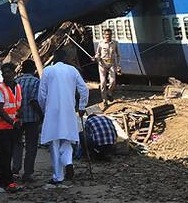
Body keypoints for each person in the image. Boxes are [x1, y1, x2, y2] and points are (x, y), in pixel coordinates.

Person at [39, 49, 89, 185]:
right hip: (68, 110)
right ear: (66, 58)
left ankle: (58, 176)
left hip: (53, 111)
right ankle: (68, 162)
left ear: (53, 58)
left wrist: (44, 109)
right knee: (67, 140)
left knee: (54, 143)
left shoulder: (48, 71)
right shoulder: (72, 70)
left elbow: (42, 94)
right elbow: (84, 89)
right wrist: (82, 106)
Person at [0, 63, 22, 192]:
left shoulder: (18, 87)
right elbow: (0, 110)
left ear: (14, 73)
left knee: (5, 154)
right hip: (0, 127)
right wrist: (12, 122)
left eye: (9, 72)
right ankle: (8, 180)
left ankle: (0, 178)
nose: (6, 75)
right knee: (6, 152)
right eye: (4, 73)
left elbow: (18, 105)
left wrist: (19, 117)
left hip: (11, 126)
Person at [13, 60, 42, 182]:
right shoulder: (36, 82)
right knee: (31, 146)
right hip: (31, 118)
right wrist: (41, 115)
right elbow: (33, 100)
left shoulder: (16, 81)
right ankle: (28, 173)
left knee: (17, 144)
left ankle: (15, 169)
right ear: (34, 69)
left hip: (17, 118)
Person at [94, 28, 120, 104]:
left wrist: (118, 65)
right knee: (103, 82)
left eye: (109, 34)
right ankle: (104, 100)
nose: (108, 36)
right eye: (106, 35)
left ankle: (109, 93)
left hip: (111, 64)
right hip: (102, 65)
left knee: (113, 81)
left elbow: (118, 55)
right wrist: (95, 57)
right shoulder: (101, 43)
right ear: (104, 35)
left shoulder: (115, 43)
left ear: (111, 35)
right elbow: (97, 53)